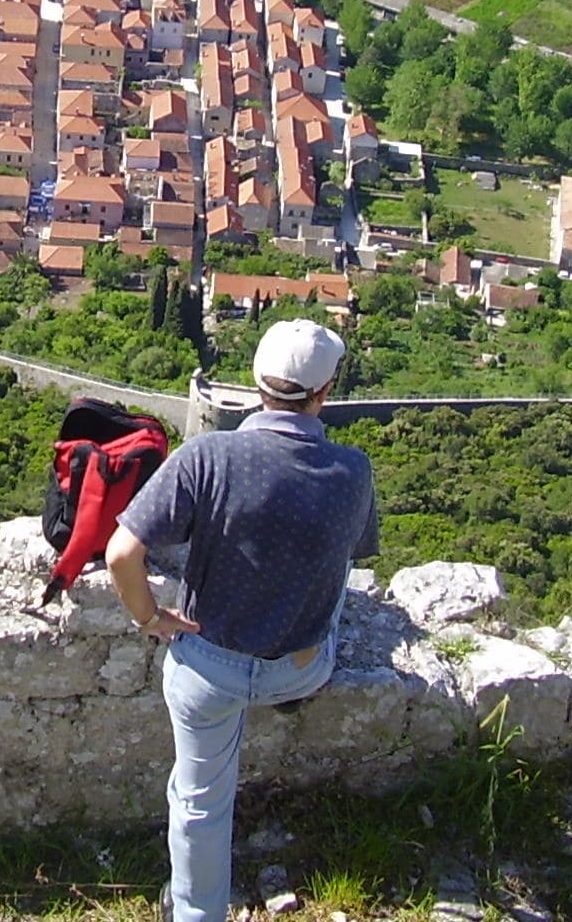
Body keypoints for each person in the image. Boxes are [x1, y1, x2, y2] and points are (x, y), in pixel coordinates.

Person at [106, 319, 378, 922]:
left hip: (207, 668)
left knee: (200, 801)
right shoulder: (353, 470)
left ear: (255, 385)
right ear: (324, 393)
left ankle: (196, 913)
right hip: (300, 669)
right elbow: (352, 557)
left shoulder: (209, 455)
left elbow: (122, 553)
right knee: (336, 592)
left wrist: (150, 617)